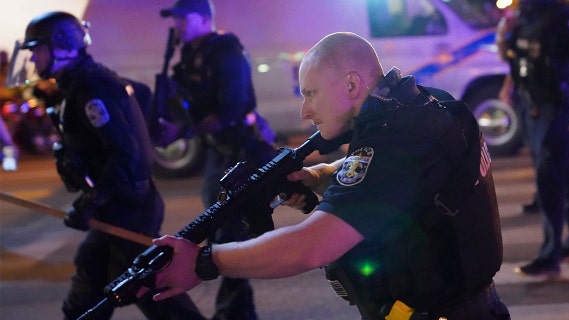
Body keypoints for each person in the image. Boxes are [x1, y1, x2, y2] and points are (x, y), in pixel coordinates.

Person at [145, 31, 511, 320]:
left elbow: (309, 247)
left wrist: (204, 261)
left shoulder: (394, 143)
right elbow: (401, 177)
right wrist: (321, 175)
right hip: (471, 306)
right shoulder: (426, 104)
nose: (305, 110)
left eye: (311, 93)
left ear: (351, 85)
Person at [19, 11, 206, 320]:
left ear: (62, 45)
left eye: (37, 49)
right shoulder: (79, 84)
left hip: (127, 211)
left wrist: (91, 202)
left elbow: (125, 154)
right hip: (118, 208)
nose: (33, 58)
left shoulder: (91, 88)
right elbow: (141, 95)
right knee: (88, 285)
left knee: (155, 294)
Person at [158, 0, 278, 319]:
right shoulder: (190, 56)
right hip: (218, 151)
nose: (177, 27)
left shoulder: (226, 50)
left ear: (201, 20)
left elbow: (232, 109)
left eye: (182, 20)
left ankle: (233, 314)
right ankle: (238, 313)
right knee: (220, 232)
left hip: (242, 150)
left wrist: (184, 131)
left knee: (227, 235)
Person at [497, 0, 569, 277]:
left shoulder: (563, 17)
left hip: (556, 107)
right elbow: (513, 58)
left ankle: (549, 256)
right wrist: (508, 84)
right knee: (562, 173)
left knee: (548, 180)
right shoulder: (525, 16)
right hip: (531, 107)